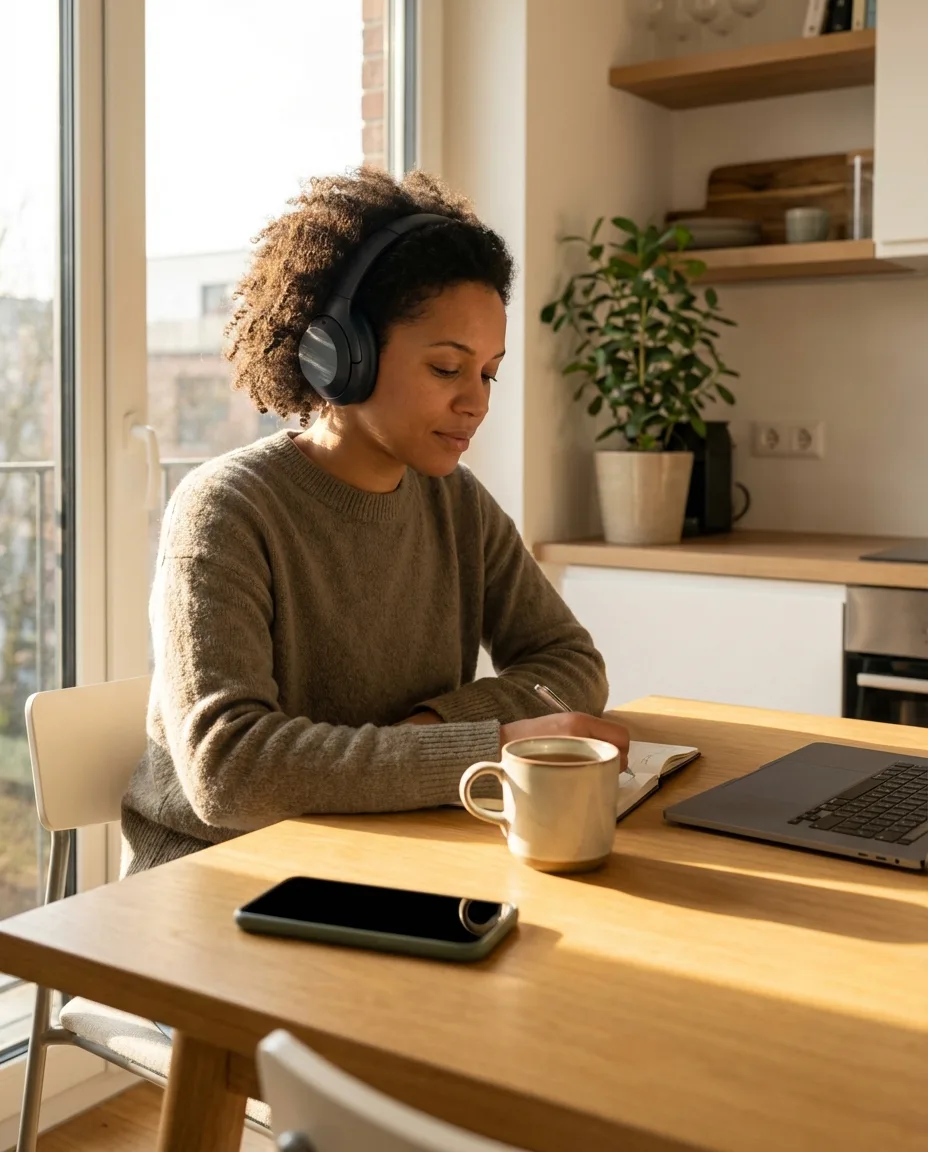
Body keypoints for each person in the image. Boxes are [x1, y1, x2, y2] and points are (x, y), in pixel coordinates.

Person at [121, 168, 629, 876]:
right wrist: (489, 743)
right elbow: (230, 772)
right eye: (447, 368)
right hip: (220, 880)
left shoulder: (457, 504)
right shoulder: (226, 509)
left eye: (488, 372)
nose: (476, 402)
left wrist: (429, 729)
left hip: (385, 854)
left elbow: (569, 663)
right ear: (342, 355)